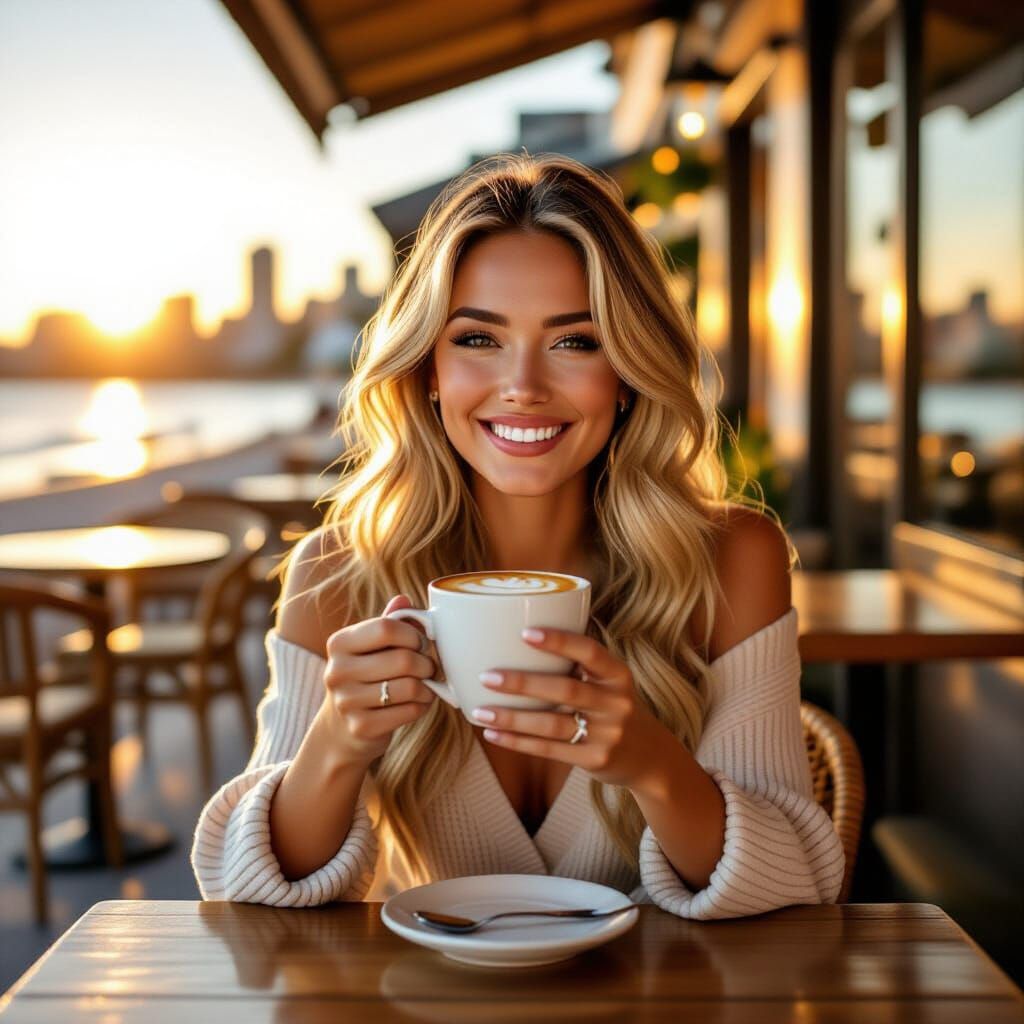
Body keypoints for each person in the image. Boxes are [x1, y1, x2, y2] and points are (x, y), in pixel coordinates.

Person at [191, 153, 844, 917]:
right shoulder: (338, 575)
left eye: (576, 341)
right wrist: (336, 744)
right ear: (428, 368)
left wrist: (652, 765)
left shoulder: (733, 560)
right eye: (478, 339)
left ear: (628, 372)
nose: (524, 385)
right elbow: (244, 899)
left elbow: (799, 888)